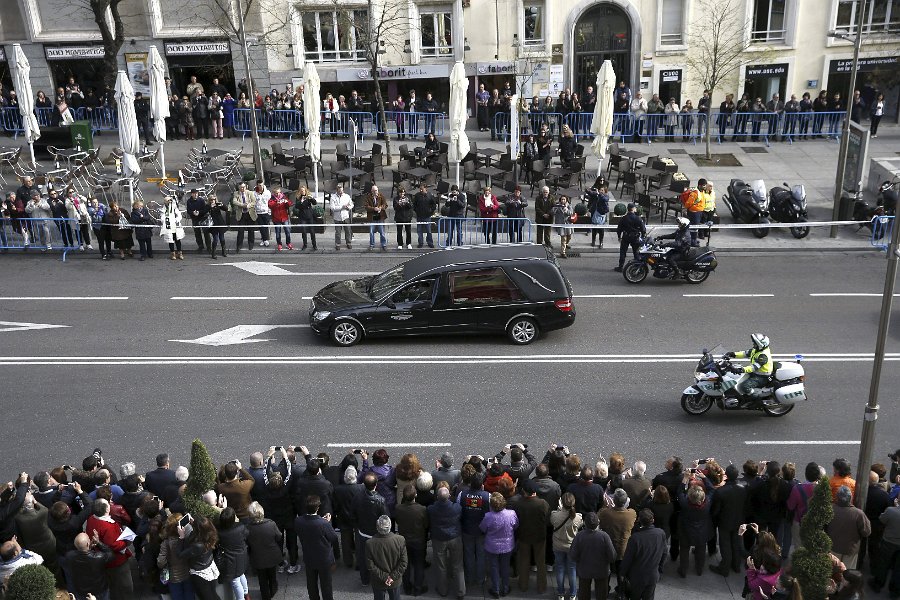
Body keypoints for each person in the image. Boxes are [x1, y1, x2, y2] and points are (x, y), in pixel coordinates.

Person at [86, 499, 134, 599]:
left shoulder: (91, 519)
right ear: (107, 509)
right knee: (125, 585)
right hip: (116, 562)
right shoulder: (108, 526)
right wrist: (126, 541)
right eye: (108, 504)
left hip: (102, 559)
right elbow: (115, 545)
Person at [296, 494, 339, 600]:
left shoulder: (298, 521)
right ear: (318, 507)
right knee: (326, 586)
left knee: (311, 584)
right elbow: (333, 537)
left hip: (309, 557)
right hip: (324, 559)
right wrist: (326, 522)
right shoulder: (323, 524)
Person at [620, 508, 667, 600]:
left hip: (637, 577)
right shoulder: (660, 533)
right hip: (652, 575)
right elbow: (664, 553)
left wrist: (622, 573)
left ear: (639, 521)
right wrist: (660, 568)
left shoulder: (635, 538)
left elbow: (627, 559)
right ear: (653, 520)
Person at [428, 486, 465, 598]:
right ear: (449, 496)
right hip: (455, 537)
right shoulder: (456, 508)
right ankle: (460, 591)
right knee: (458, 565)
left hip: (439, 538)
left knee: (441, 566)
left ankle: (443, 590)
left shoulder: (431, 509)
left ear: (437, 497)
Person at [569, 511, 616, 600]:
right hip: (601, 571)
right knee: (601, 595)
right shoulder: (604, 536)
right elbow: (612, 556)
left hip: (584, 570)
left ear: (585, 523)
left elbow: (572, 555)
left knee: (584, 594)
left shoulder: (579, 536)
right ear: (598, 523)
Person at [480, 492, 518, 599]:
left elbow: (482, 528)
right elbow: (516, 525)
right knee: (505, 567)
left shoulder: (488, 516)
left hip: (491, 547)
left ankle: (495, 589)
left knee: (494, 567)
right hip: (507, 546)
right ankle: (505, 588)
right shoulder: (511, 514)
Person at [514, 480, 550, 594]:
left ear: (524, 491)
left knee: (524, 561)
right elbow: (547, 517)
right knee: (540, 562)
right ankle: (541, 587)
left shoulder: (519, 504)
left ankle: (523, 585)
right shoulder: (542, 503)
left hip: (524, 535)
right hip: (539, 536)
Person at [827, 485, 870, 570]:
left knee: (832, 571)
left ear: (837, 497)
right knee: (847, 572)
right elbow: (866, 532)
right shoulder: (858, 514)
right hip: (850, 549)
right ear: (851, 498)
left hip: (833, 547)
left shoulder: (830, 509)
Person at [245, 501, 282, 600]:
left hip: (257, 557)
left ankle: (265, 596)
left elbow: (247, 542)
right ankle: (273, 590)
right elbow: (279, 536)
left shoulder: (248, 528)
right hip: (272, 555)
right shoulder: (271, 523)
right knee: (272, 575)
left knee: (262, 579)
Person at [724, 333, 773, 403]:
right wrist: (733, 354)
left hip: (762, 377)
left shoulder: (763, 356)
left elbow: (754, 367)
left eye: (755, 343)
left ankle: (756, 399)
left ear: (760, 344)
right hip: (755, 373)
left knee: (745, 386)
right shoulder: (756, 350)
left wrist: (742, 370)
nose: (753, 344)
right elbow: (745, 353)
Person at [217, 508, 249, 600]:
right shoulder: (241, 527)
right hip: (241, 555)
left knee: (235, 581)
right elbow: (247, 534)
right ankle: (246, 594)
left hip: (230, 559)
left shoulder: (220, 532)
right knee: (241, 574)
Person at [615, 203, 646, 272]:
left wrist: (619, 237)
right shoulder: (638, 218)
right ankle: (637, 267)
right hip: (635, 238)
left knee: (623, 252)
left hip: (626, 237)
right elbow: (643, 229)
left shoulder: (624, 218)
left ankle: (620, 267)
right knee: (636, 252)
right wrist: (643, 237)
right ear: (633, 209)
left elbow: (619, 229)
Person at [231, 182, 256, 252]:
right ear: (239, 187)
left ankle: (251, 244)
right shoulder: (236, 193)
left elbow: (254, 201)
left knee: (251, 230)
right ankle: (239, 245)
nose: (243, 188)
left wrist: (248, 205)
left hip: (250, 213)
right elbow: (234, 201)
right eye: (241, 187)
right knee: (240, 230)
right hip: (241, 214)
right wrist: (242, 205)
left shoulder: (250, 193)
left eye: (244, 187)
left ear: (246, 186)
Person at [292, 186, 317, 250]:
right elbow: (297, 206)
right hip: (303, 216)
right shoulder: (298, 198)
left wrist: (312, 199)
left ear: (305, 191)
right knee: (304, 231)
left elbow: (314, 203)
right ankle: (305, 244)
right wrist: (301, 201)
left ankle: (314, 245)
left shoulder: (308, 196)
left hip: (309, 216)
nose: (303, 191)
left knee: (312, 231)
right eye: (301, 190)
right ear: (300, 191)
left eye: (303, 190)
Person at [330, 183, 353, 250]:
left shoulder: (347, 196)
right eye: (340, 191)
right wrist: (341, 207)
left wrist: (348, 207)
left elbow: (351, 204)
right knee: (338, 232)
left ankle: (348, 243)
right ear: (337, 191)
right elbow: (332, 208)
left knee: (348, 231)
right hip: (337, 218)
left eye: (342, 191)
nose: (341, 192)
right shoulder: (333, 197)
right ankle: (338, 244)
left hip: (346, 216)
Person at [413, 183, 436, 249]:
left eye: (422, 189)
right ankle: (420, 243)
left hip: (427, 216)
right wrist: (416, 211)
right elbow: (414, 204)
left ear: (425, 189)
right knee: (419, 230)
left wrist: (430, 211)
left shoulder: (430, 196)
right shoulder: (417, 196)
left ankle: (430, 242)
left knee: (428, 230)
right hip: (419, 215)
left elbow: (434, 205)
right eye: (420, 189)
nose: (420, 190)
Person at [366, 185, 388, 250]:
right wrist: (373, 208)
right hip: (372, 217)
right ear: (371, 191)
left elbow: (385, 205)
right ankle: (372, 244)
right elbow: (366, 206)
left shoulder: (381, 196)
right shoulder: (368, 197)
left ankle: (383, 244)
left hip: (380, 216)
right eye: (374, 191)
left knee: (382, 232)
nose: (376, 192)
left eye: (376, 190)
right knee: (371, 232)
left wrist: (381, 208)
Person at [253, 181, 272, 247]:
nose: (260, 187)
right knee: (261, 226)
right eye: (259, 185)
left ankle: (264, 239)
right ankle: (264, 240)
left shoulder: (267, 192)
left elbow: (270, 202)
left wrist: (269, 212)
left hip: (266, 212)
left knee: (265, 226)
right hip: (258, 212)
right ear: (257, 185)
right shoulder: (254, 193)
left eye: (261, 185)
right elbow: (254, 203)